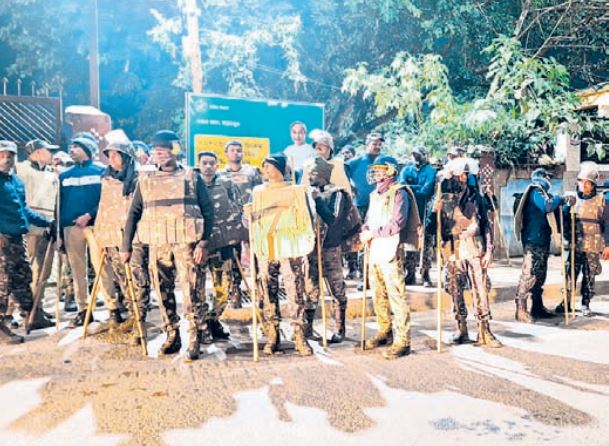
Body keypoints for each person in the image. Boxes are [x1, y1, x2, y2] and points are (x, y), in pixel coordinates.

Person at [121, 130, 214, 361]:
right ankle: (172, 334)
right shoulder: (146, 180)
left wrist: (204, 242)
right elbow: (134, 213)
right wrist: (126, 247)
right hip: (158, 244)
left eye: (165, 148)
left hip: (188, 244)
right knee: (162, 293)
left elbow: (208, 210)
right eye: (156, 149)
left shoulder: (192, 177)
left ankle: (195, 337)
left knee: (193, 292)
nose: (160, 153)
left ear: (175, 149)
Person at [245, 153, 315, 356]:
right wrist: (247, 215)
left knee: (295, 289)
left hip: (290, 245)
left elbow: (307, 217)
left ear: (280, 169)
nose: (265, 170)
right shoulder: (258, 192)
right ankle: (272, 334)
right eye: (264, 167)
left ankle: (299, 335)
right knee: (267, 289)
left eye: (269, 166)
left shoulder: (295, 191)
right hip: (266, 246)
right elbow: (250, 220)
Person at [429, 158, 501, 348]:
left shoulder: (476, 196)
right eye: (460, 174)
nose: (463, 178)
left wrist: (489, 250)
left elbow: (486, 223)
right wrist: (434, 210)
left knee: (480, 289)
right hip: (452, 249)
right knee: (454, 289)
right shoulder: (442, 197)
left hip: (474, 247)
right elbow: (432, 226)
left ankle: (485, 329)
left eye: (466, 175)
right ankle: (461, 327)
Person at [360, 155, 419, 359]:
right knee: (378, 293)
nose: (376, 173)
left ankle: (403, 341)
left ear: (391, 171)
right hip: (374, 249)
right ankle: (384, 330)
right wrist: (365, 229)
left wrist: (373, 233)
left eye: (380, 169)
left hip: (390, 249)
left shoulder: (399, 192)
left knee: (396, 295)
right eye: (375, 170)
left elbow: (397, 223)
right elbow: (369, 218)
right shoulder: (374, 194)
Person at [94, 138, 150, 344]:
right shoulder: (106, 179)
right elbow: (103, 208)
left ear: (126, 156)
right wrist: (101, 237)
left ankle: (140, 321)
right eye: (109, 155)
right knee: (122, 279)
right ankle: (131, 313)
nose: (111, 159)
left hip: (133, 236)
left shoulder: (139, 178)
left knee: (137, 278)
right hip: (111, 236)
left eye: (115, 154)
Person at [59, 134, 118, 328]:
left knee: (103, 266)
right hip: (71, 227)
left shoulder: (102, 172)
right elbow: (60, 205)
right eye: (71, 146)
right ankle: (84, 309)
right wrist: (60, 232)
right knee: (77, 270)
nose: (72, 149)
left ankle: (113, 307)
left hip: (96, 226)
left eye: (76, 146)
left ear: (87, 149)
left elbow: (106, 200)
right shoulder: (64, 176)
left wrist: (89, 215)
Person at [0, 140, 52, 343]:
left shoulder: (15, 181)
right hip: (1, 239)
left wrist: (47, 222)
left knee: (22, 276)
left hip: (15, 237)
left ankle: (32, 315)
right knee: (3, 283)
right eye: (2, 155)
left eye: (9, 155)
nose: (6, 159)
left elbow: (23, 210)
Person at [198, 151, 247, 340]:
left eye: (212, 163)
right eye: (205, 163)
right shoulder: (192, 184)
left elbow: (239, 208)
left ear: (217, 165)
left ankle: (213, 319)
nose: (208, 166)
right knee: (197, 290)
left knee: (224, 288)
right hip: (199, 246)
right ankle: (201, 327)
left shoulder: (227, 184)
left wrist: (236, 236)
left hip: (223, 244)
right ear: (199, 165)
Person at [304, 157, 352, 343]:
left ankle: (339, 329)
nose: (309, 177)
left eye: (313, 174)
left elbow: (333, 219)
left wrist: (318, 201)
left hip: (330, 248)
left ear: (323, 176)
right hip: (311, 249)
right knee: (311, 289)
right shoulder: (307, 193)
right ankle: (307, 329)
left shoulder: (338, 194)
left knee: (336, 289)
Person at [513, 168, 570, 322]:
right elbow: (547, 206)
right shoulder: (535, 191)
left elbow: (554, 210)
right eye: (547, 177)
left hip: (542, 239)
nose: (549, 180)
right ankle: (521, 310)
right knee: (529, 275)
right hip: (533, 241)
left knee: (539, 275)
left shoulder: (544, 194)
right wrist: (561, 198)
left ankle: (537, 307)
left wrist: (565, 205)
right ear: (541, 178)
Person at [15, 139, 60, 329]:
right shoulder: (20, 169)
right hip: (30, 224)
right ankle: (30, 311)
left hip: (47, 224)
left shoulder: (50, 173)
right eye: (47, 150)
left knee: (43, 270)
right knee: (35, 269)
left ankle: (36, 308)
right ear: (37, 152)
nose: (51, 154)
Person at [556, 162, 609, 317]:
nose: (584, 186)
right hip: (574, 244)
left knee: (589, 275)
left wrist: (607, 245)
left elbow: (607, 223)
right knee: (570, 273)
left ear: (593, 185)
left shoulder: (601, 201)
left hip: (593, 244)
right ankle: (565, 302)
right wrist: (565, 236)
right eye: (582, 182)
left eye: (588, 183)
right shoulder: (571, 199)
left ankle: (585, 303)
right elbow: (563, 221)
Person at [220, 140, 263, 308]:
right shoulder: (221, 175)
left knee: (257, 259)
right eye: (232, 150)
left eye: (239, 150)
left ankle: (260, 293)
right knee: (234, 259)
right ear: (226, 153)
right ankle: (236, 293)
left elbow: (260, 193)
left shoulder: (252, 172)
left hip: (253, 221)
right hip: (232, 223)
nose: (236, 153)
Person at [399, 146, 437, 286]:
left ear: (425, 156)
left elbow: (426, 191)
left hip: (425, 212)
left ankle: (425, 274)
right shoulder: (407, 169)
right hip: (409, 212)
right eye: (414, 154)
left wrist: (411, 188)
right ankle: (410, 273)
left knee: (426, 244)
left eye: (419, 155)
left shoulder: (430, 171)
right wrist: (415, 188)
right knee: (410, 242)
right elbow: (402, 186)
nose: (416, 157)